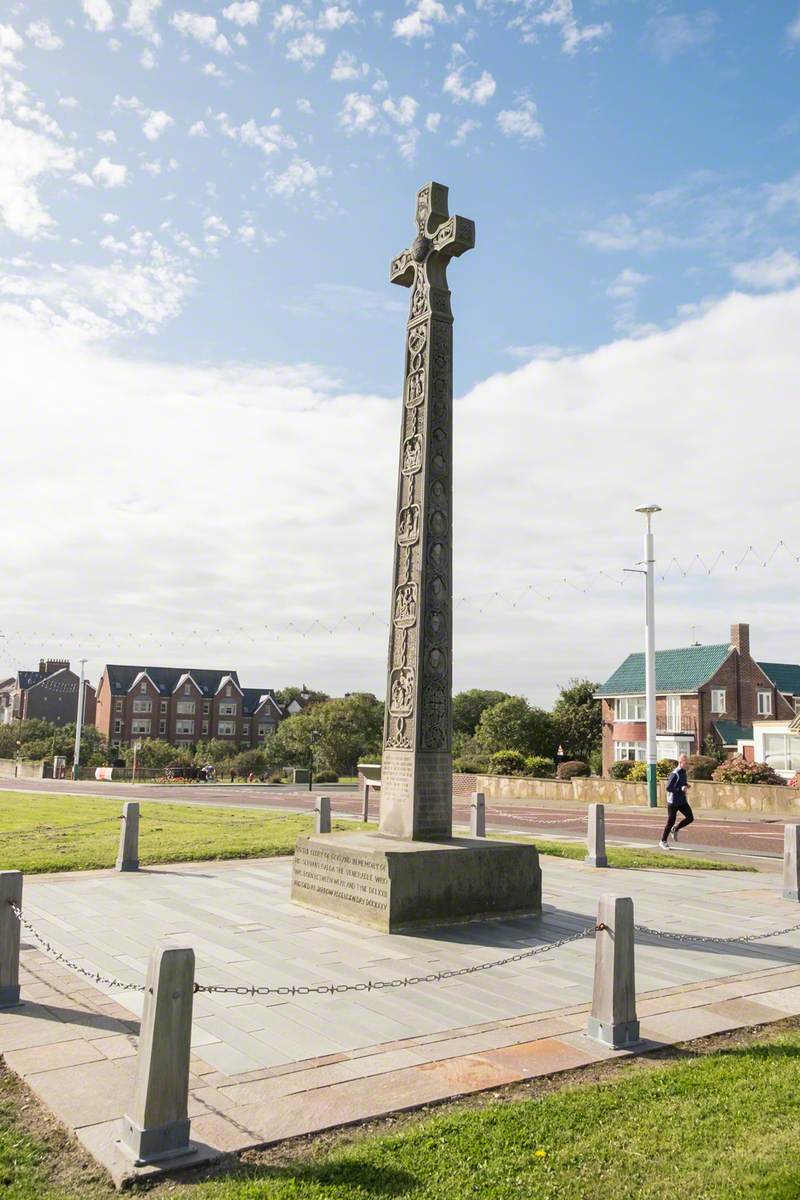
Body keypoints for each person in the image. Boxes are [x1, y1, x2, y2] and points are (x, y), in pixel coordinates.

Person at [659, 752, 694, 849]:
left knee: (690, 818)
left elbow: (681, 783)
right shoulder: (675, 774)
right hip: (673, 802)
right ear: (680, 762)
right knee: (670, 821)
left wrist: (686, 785)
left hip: (682, 801)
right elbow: (668, 788)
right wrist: (680, 789)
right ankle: (663, 841)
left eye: (687, 763)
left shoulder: (683, 772)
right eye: (685, 763)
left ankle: (675, 829)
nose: (687, 765)